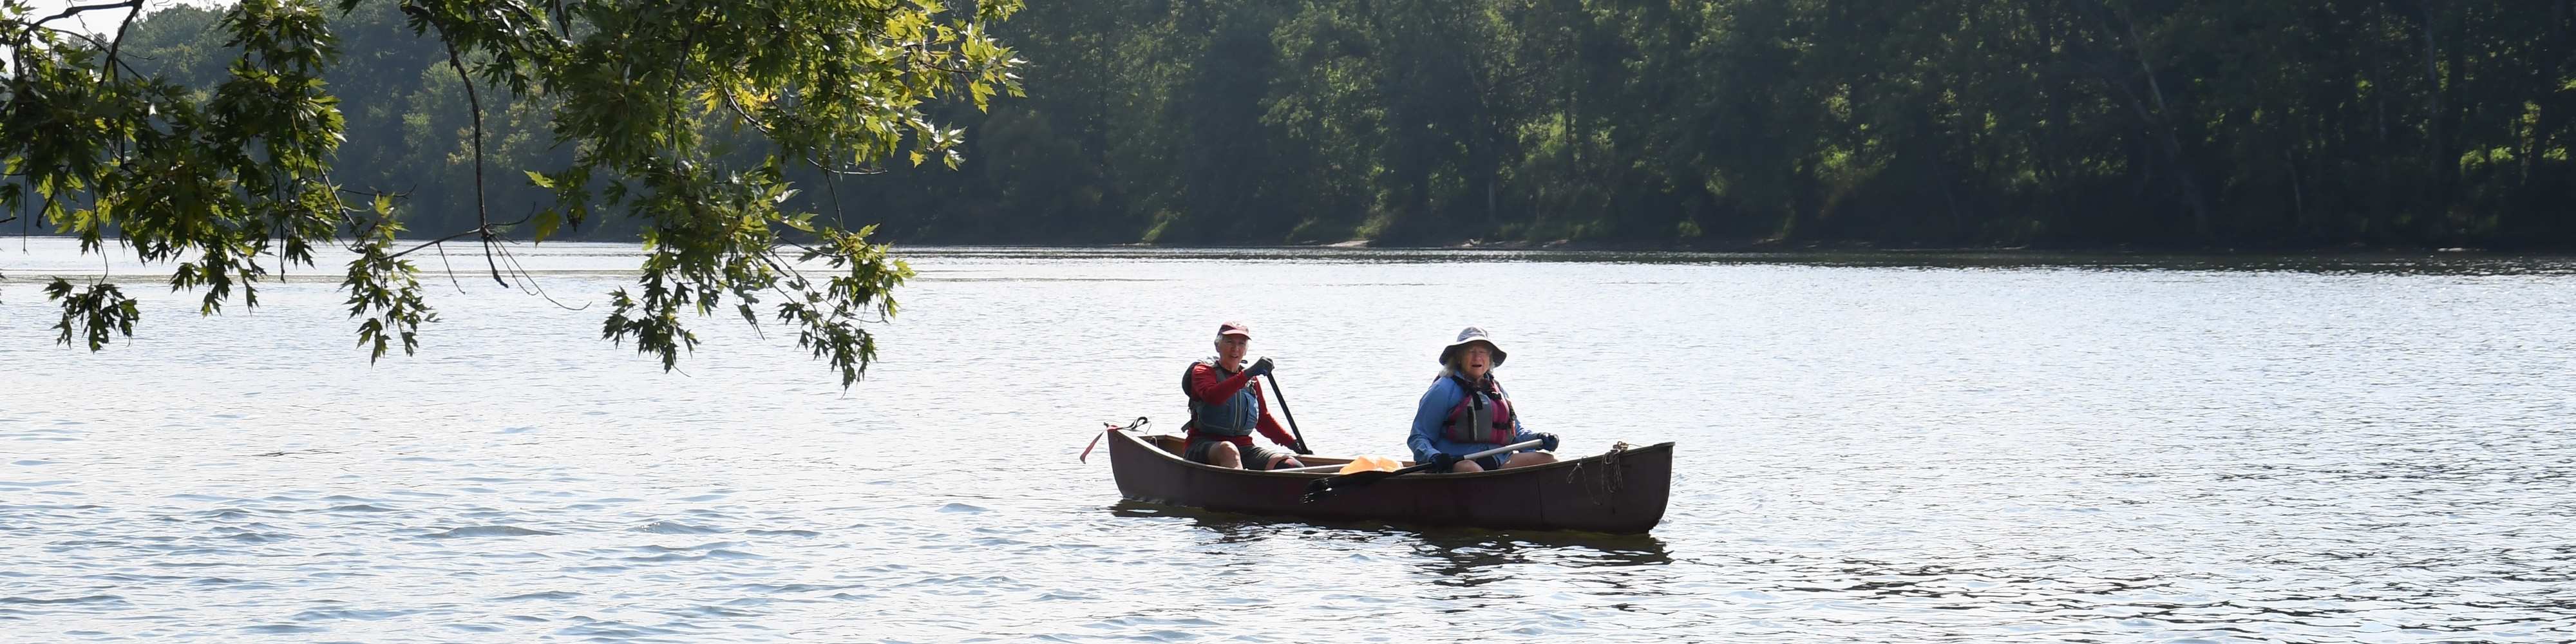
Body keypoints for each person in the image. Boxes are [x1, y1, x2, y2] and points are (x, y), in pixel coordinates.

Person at [1408, 327, 1558, 473]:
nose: (1477, 357)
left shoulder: (1496, 388)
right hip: (1457, 464)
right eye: (1471, 352)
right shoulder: (1443, 389)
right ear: (1459, 357)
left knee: (1549, 461)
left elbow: (1515, 433)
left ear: (1490, 358)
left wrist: (1539, 438)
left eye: (1483, 352)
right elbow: (1418, 436)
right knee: (1472, 470)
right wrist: (1434, 456)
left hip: (1498, 461)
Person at [1180, 321, 1311, 470]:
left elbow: (1263, 419)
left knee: (1291, 465)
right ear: (1218, 346)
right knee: (1228, 450)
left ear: (1245, 350)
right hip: (1202, 445)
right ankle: (1238, 491)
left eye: (1241, 344)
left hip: (1244, 448)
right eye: (1229, 342)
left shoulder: (1251, 380)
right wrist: (1248, 373)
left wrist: (1293, 444)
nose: (1235, 348)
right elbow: (1213, 397)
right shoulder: (1203, 371)